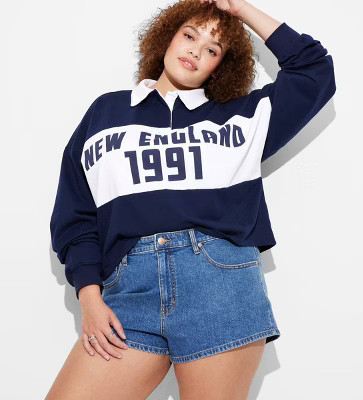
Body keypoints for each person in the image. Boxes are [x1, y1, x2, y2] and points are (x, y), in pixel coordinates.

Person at [46, 0, 336, 398]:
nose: (196, 51)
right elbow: (76, 215)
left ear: (220, 66)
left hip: (219, 287)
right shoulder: (106, 112)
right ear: (167, 37)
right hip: (127, 295)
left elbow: (314, 70)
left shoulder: (243, 117)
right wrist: (89, 296)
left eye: (212, 49)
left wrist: (240, 9)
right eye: (189, 35)